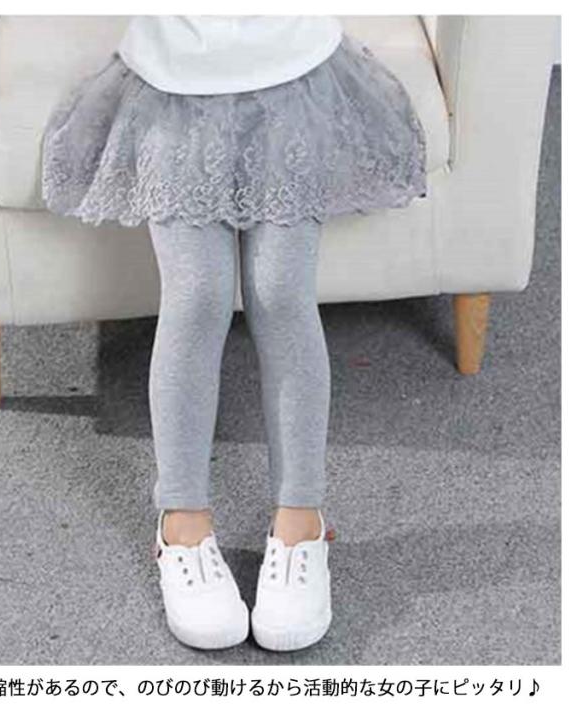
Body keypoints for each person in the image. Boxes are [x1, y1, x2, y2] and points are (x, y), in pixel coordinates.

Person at [42, 15, 426, 651]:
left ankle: (301, 520)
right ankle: (182, 524)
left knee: (282, 292)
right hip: (174, 85)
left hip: (293, 74)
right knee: (197, 295)